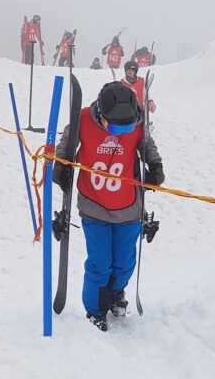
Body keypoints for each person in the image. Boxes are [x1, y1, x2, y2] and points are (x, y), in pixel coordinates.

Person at [53, 82, 164, 332]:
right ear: (101, 115)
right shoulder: (82, 118)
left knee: (124, 263)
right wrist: (61, 166)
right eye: (114, 127)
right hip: (94, 205)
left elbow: (147, 144)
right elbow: (66, 143)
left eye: (125, 128)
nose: (119, 133)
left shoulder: (137, 121)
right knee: (100, 263)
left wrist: (155, 166)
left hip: (128, 205)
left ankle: (115, 293)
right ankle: (95, 309)